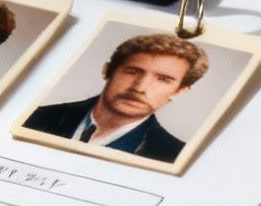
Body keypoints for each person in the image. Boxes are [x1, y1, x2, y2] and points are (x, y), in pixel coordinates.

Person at [23, 33, 208, 164]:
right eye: (132, 72)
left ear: (179, 91)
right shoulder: (37, 116)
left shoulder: (174, 155)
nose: (140, 88)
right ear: (107, 71)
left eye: (163, 79)